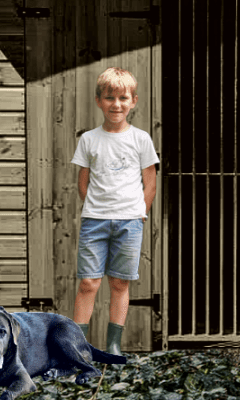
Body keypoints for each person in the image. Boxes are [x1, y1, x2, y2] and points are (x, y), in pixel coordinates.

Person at [70, 67, 159, 355]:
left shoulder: (141, 139)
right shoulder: (89, 139)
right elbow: (83, 182)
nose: (116, 104)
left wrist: (140, 213)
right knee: (88, 282)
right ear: (99, 101)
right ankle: (78, 346)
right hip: (95, 221)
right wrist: (96, 207)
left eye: (123, 98)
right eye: (109, 98)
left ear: (133, 101)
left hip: (129, 222)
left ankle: (113, 345)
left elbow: (150, 182)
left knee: (120, 283)